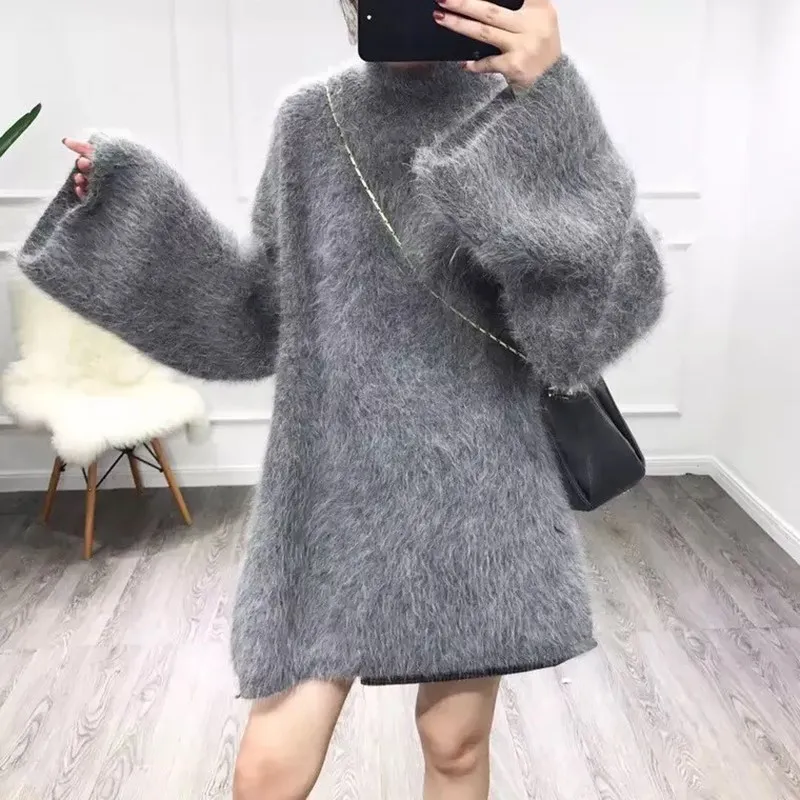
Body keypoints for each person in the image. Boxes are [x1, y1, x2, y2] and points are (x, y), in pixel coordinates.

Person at [18, 0, 665, 797]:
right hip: (333, 483)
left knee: (455, 745)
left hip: (480, 488)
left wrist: (551, 96)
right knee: (268, 769)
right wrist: (125, 210)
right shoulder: (311, 123)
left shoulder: (521, 111)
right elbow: (257, 317)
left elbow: (581, 335)